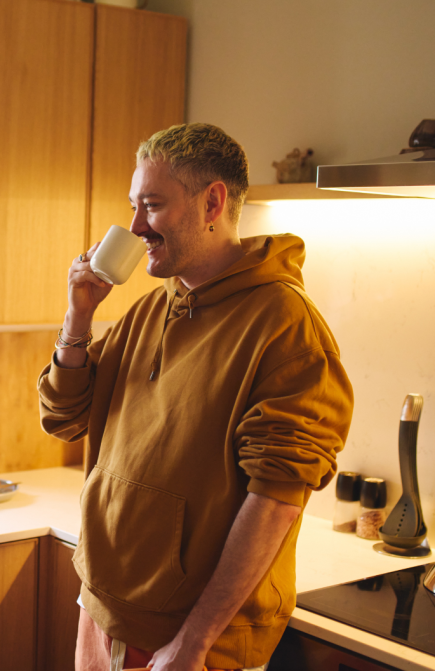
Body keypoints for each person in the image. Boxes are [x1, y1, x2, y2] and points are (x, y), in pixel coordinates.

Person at [38, 124, 354, 671]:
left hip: (186, 643)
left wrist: (193, 642)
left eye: (152, 205)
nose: (135, 227)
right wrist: (78, 317)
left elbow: (275, 502)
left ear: (212, 203)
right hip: (105, 611)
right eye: (134, 206)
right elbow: (64, 418)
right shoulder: (151, 309)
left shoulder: (285, 327)